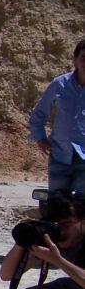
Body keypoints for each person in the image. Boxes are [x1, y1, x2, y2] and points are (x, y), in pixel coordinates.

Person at [28, 38, 85, 191]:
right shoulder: (60, 84)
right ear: (75, 60)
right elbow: (39, 113)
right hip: (60, 155)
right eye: (83, 58)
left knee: (81, 209)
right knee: (57, 206)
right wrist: (40, 137)